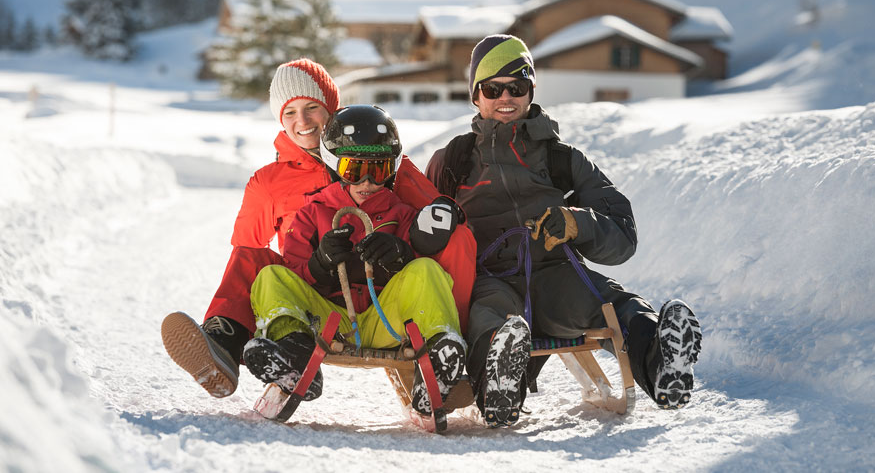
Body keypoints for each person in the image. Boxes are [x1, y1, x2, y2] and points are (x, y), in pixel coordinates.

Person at [425, 34, 702, 428]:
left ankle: (663, 363)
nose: (506, 97)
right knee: (491, 318)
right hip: (488, 277)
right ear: (476, 95)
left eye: (516, 87)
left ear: (531, 90)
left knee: (610, 302)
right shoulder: (451, 161)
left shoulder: (562, 160)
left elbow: (624, 234)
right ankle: (499, 387)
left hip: (554, 273)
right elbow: (419, 224)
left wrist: (578, 222)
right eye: (492, 88)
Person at [161, 59, 476, 400]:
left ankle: (447, 348)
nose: (303, 122)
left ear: (331, 109)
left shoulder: (376, 153)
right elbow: (247, 253)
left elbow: (436, 219)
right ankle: (227, 344)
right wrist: (315, 265)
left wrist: (405, 252)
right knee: (256, 263)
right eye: (290, 113)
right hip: (318, 297)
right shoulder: (270, 183)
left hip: (383, 298)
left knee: (451, 243)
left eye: (312, 107)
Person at [244, 105, 466, 416]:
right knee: (270, 277)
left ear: (390, 169)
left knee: (427, 269)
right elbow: (293, 269)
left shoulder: (401, 214)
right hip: (327, 322)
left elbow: (419, 278)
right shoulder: (314, 212)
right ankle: (293, 352)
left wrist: (401, 257)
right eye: (353, 170)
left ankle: (441, 354)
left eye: (377, 170)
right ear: (335, 166)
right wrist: (320, 264)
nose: (365, 182)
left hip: (386, 321)